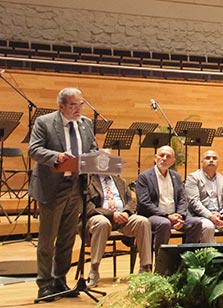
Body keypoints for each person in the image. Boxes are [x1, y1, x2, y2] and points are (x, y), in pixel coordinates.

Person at [29, 87, 98, 301]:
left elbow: (93, 149)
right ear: (61, 106)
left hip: (77, 186)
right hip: (53, 186)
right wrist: (57, 156)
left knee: (67, 237)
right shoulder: (45, 122)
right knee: (48, 238)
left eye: (80, 104)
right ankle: (44, 284)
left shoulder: (86, 124)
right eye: (73, 105)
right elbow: (34, 149)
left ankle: (60, 279)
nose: (78, 109)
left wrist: (98, 157)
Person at [85, 173, 152, 288]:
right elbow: (89, 208)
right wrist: (112, 214)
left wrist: (126, 212)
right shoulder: (88, 181)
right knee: (102, 223)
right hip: (100, 217)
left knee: (143, 222)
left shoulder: (120, 181)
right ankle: (94, 270)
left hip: (123, 219)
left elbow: (131, 202)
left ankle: (145, 268)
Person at [136, 145, 202, 252]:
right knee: (164, 223)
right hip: (154, 216)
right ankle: (161, 264)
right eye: (162, 155)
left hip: (175, 216)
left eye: (168, 156)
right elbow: (144, 203)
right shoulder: (144, 177)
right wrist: (167, 216)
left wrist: (180, 216)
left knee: (196, 223)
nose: (164, 158)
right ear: (155, 157)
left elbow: (182, 199)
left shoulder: (176, 176)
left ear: (173, 161)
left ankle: (186, 261)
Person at [185, 150, 223, 243]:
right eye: (207, 158)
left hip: (220, 215)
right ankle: (212, 256)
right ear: (202, 162)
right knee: (208, 227)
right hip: (201, 216)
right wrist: (210, 216)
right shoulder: (193, 178)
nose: (211, 160)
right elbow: (194, 202)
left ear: (218, 162)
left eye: (214, 158)